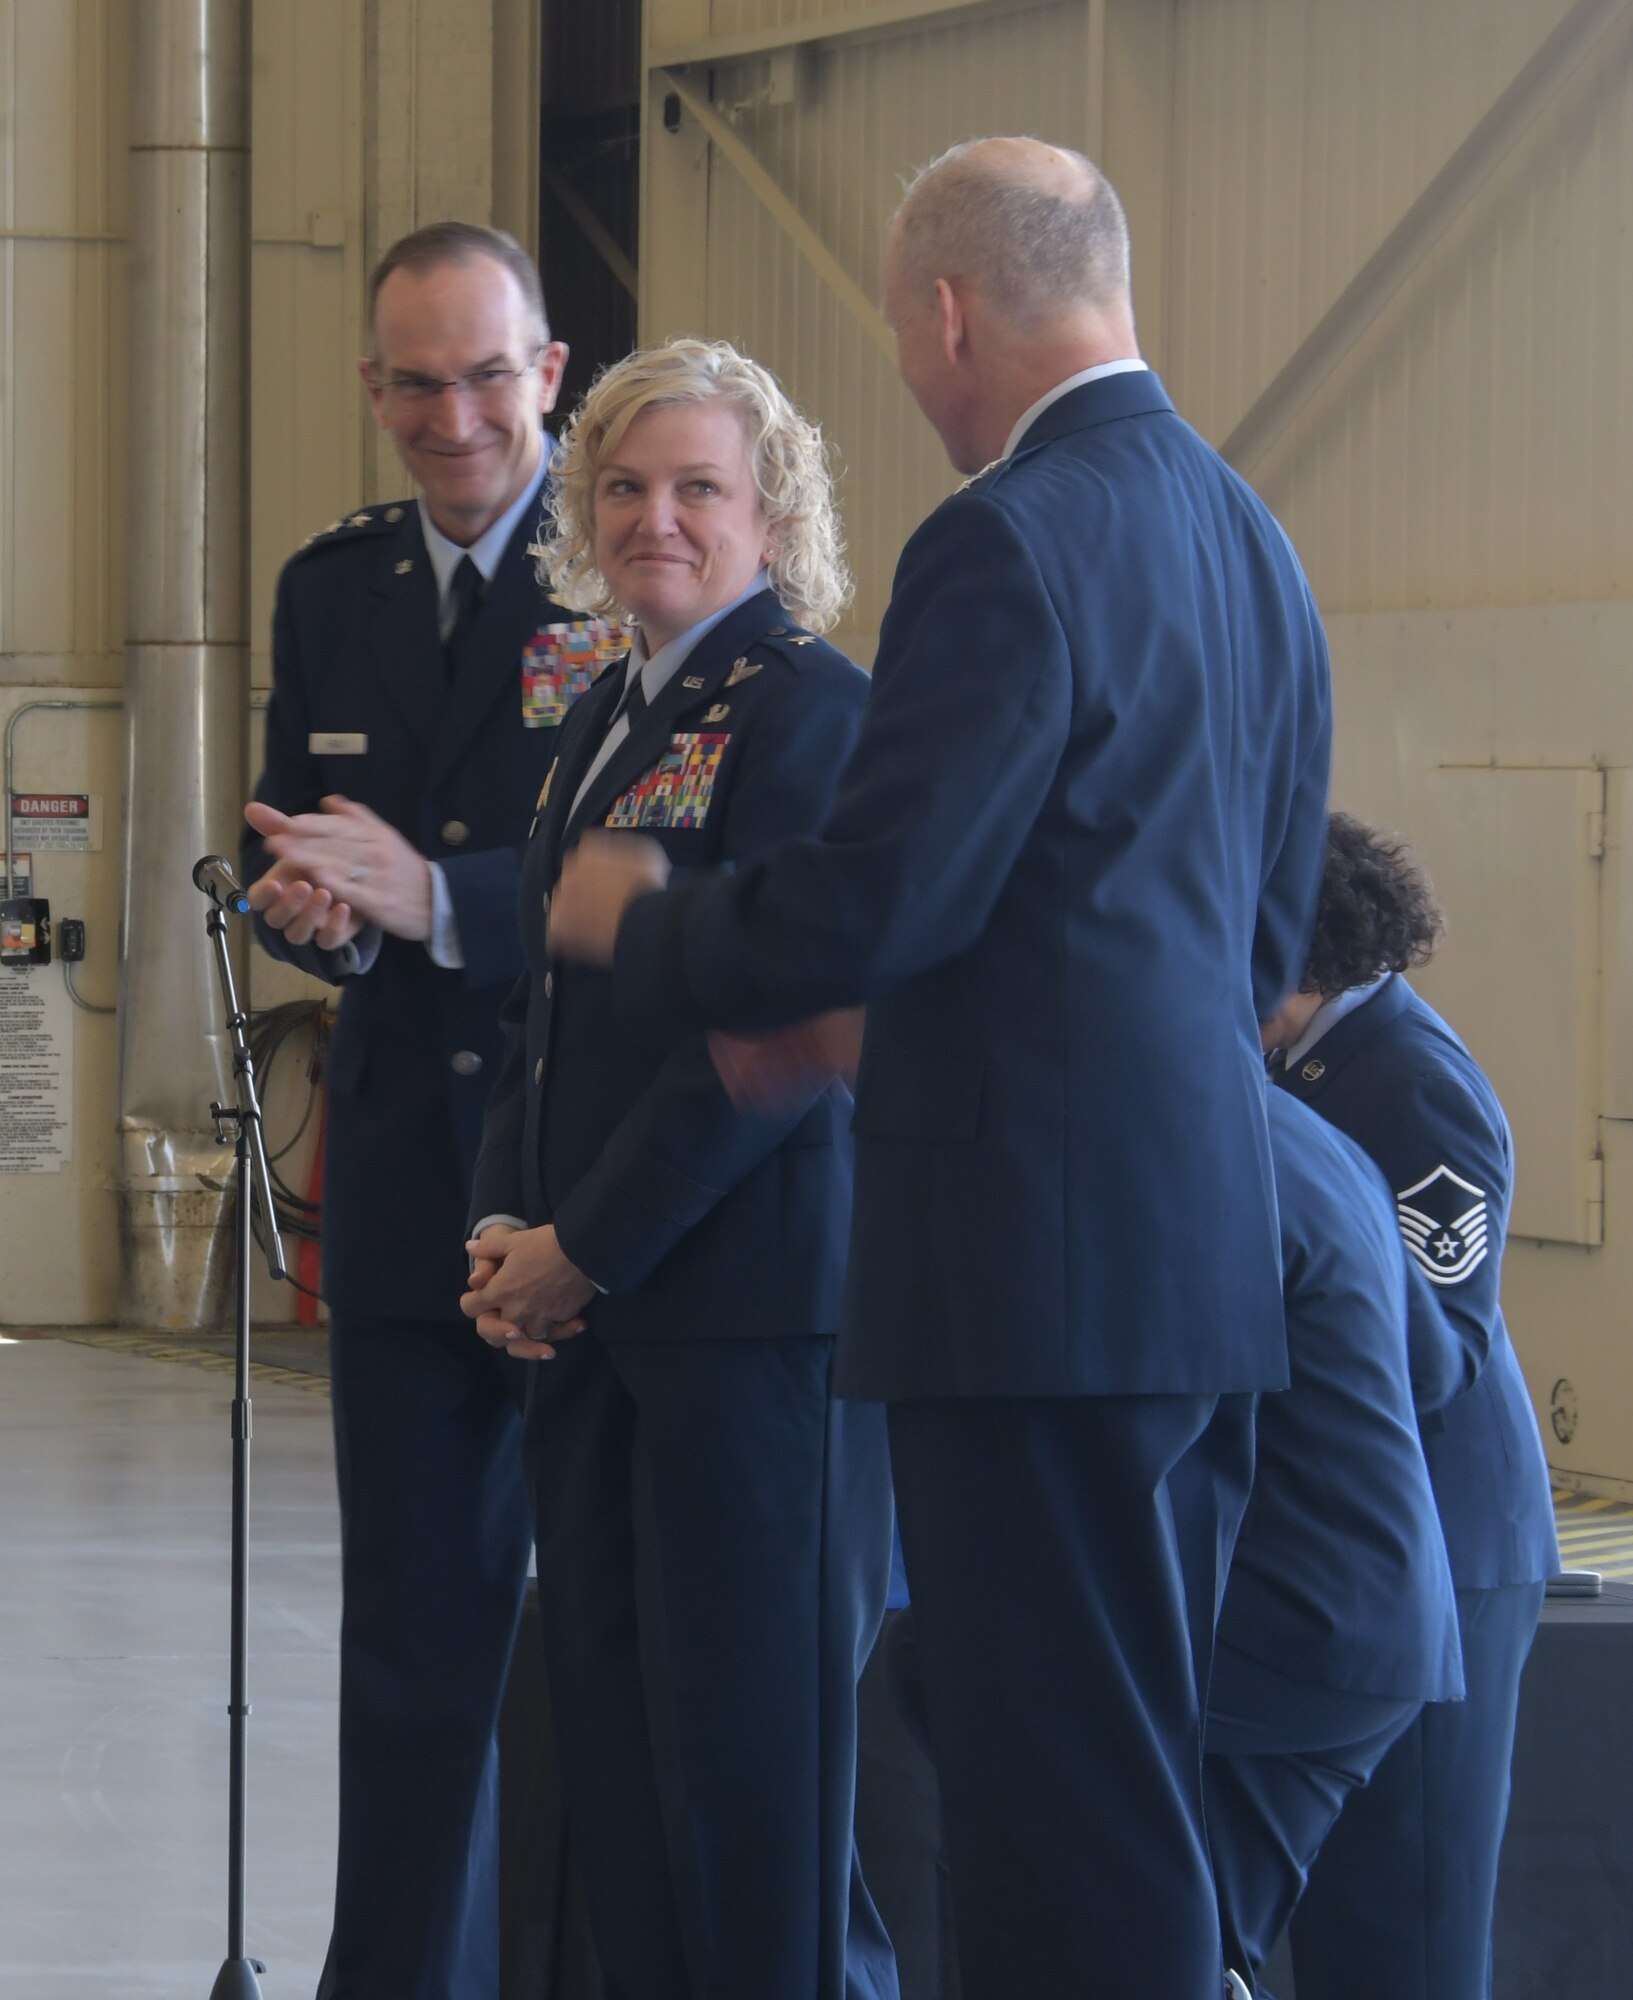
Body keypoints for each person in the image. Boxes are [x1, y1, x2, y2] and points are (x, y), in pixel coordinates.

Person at [545, 139, 1333, 1999]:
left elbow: (887, 895)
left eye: (903, 333)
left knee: (1042, 1812)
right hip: (1198, 1269)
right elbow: (1263, 934)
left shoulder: (1003, 536)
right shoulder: (1248, 538)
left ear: (949, 309)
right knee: (1127, 1798)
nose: (912, 375)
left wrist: (645, 925)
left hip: (1025, 1281)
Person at [460, 338, 898, 2000]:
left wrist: (591, 1242)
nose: (656, 517)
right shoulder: (592, 721)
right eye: (625, 487)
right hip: (594, 1331)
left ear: (770, 514)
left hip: (744, 1337)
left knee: (755, 1807)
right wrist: (508, 1220)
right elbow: (545, 1022)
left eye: (698, 487)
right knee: (626, 1795)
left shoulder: (807, 718)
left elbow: (774, 1047)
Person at [239, 222, 584, 2000]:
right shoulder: (331, 589)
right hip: (391, 1191)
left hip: (587, 1188)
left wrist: (437, 906)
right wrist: (298, 902)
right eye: (413, 384)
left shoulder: (632, 579)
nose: (451, 419)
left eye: (482, 375)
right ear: (372, 390)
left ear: (547, 371)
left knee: (608, 1647)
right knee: (412, 1648)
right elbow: (289, 825)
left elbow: (671, 873)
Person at [1261, 811, 1560, 2000]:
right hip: (1355, 1536)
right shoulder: (1303, 1063)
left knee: (1406, 1926)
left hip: (1446, 1540)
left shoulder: (1409, 1078)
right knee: (1343, 1915)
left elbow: (1438, 1351)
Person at [1203, 1086, 1465, 1992]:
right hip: (1373, 1612)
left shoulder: (1180, 1145)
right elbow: (1429, 1364)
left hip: (1289, 1620)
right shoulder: (1317, 1140)